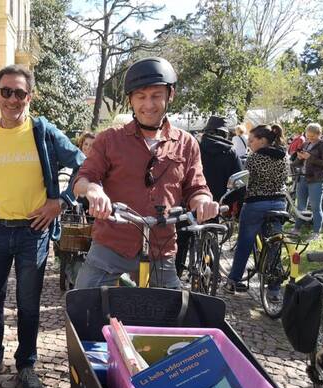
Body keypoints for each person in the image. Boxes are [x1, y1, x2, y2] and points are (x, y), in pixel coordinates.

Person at [0, 64, 84, 388]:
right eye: (6, 91)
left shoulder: (44, 132)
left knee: (28, 303)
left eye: (20, 92)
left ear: (30, 96)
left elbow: (82, 163)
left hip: (32, 233)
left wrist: (60, 202)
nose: (12, 99)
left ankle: (26, 363)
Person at [73, 56, 218, 290]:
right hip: (111, 245)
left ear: (170, 95)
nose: (148, 105)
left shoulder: (187, 143)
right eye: (141, 97)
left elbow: (196, 188)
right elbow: (83, 179)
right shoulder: (110, 139)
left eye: (156, 96)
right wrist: (93, 191)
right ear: (130, 100)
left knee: (172, 316)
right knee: (82, 306)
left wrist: (203, 202)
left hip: (161, 249)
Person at [224, 124, 288, 297]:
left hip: (256, 204)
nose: (249, 144)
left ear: (262, 140)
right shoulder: (284, 156)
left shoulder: (254, 158)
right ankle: (274, 291)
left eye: (252, 140)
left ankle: (233, 281)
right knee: (275, 246)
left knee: (244, 243)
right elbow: (285, 179)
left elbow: (245, 183)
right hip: (279, 204)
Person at [176, 116, 243, 276]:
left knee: (182, 239)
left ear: (206, 131)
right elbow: (239, 181)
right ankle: (211, 272)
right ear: (224, 133)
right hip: (214, 204)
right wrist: (228, 203)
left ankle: (177, 274)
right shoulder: (230, 151)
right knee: (211, 236)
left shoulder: (195, 146)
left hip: (190, 200)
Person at [291, 123, 323, 239]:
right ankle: (297, 228)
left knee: (315, 207)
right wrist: (299, 157)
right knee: (300, 206)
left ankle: (316, 232)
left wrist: (309, 157)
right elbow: (296, 163)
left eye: (312, 136)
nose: (310, 139)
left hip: (316, 179)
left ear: (319, 134)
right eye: (308, 136)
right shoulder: (306, 143)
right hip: (302, 177)